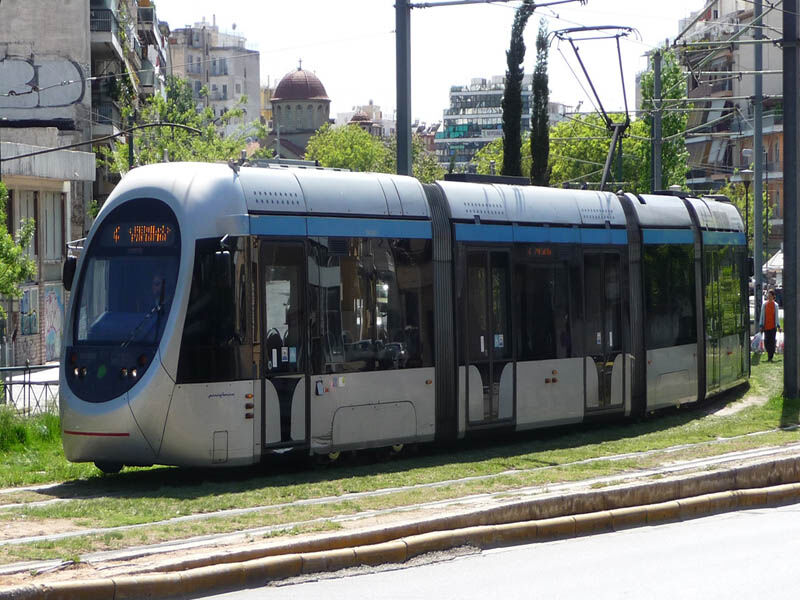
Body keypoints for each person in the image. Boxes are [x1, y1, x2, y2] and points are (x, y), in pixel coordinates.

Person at [760, 289, 780, 362]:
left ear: (773, 296)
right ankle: (769, 353)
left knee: (772, 341)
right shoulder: (764, 305)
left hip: (773, 327)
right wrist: (761, 325)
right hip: (766, 326)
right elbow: (762, 315)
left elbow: (777, 317)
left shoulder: (775, 305)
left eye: (770, 295)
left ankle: (770, 357)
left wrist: (778, 326)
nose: (769, 296)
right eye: (768, 295)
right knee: (766, 341)